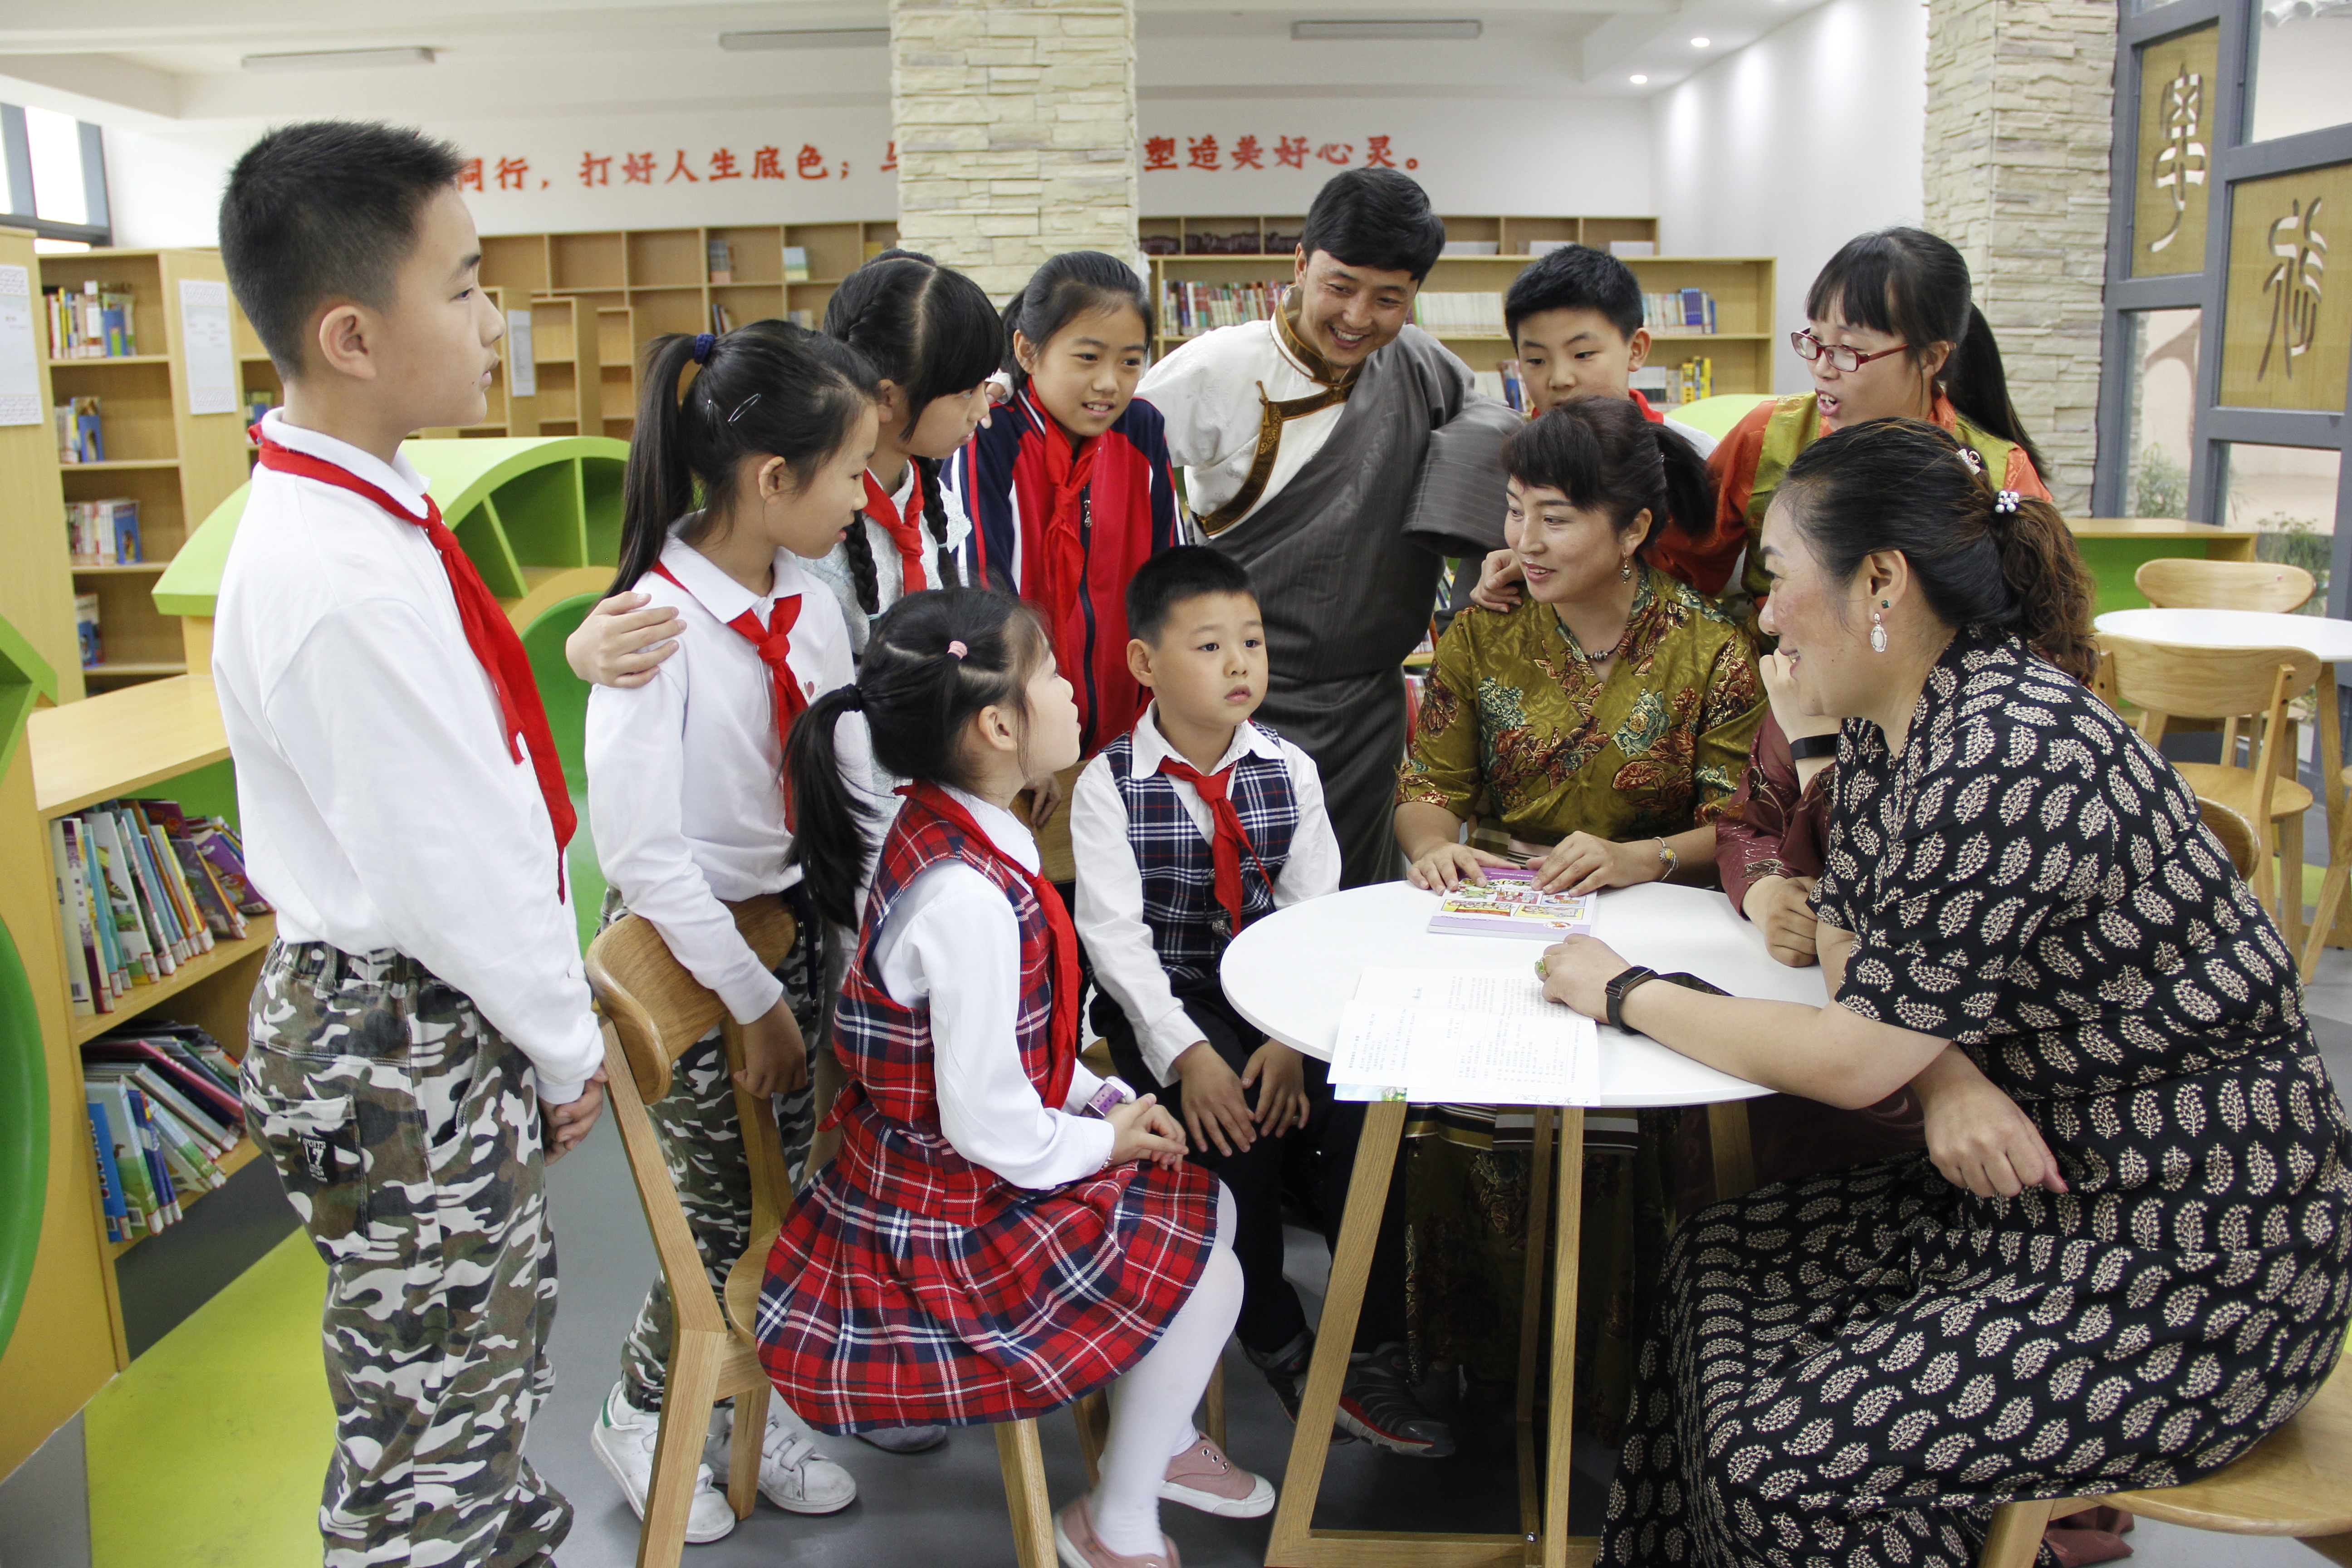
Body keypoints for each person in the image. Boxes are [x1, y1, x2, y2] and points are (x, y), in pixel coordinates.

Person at [1539, 418, 2352, 1568]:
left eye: (1776, 577)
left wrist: (1623, 988)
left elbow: (1856, 1045)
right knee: (1716, 1253)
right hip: (2041, 1185)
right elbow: (1847, 938)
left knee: (1787, 1465)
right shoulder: (1899, 722)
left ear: (1880, 578)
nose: (1762, 614)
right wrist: (1950, 1071)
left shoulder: (2005, 750)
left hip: (2193, 1254)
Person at [213, 121, 606, 1567]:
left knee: (467, 1372)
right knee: (429, 1422)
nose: (495, 321)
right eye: (467, 286)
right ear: (352, 334)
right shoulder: (338, 579)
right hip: (403, 1033)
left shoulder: (368, 516)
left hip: (418, 1022)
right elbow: (451, 868)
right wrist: (565, 1049)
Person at [759, 588, 1274, 1568]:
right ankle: (1114, 1520)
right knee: (1208, 1264)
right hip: (938, 1215)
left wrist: (1098, 1100)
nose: (1074, 692)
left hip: (945, 1164)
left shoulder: (955, 828)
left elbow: (1006, 1047)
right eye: (1050, 674)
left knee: (1206, 1213)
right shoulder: (967, 896)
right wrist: (1103, 1135)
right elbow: (989, 1118)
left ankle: (1156, 1440)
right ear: (998, 724)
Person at [1390, 395, 1763, 1429]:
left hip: (1655, 932)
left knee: (1631, 1143)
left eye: (1554, 517)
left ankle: (1631, 1382)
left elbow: (1738, 823)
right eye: (1514, 512)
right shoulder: (1484, 629)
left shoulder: (1709, 649)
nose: (1523, 541)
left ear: (1634, 527)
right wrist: (1436, 847)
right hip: (1504, 924)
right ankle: (1484, 1370)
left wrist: (1639, 853)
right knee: (1460, 1117)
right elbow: (1426, 785)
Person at [582, 320, 889, 1539]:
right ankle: (646, 1412)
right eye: (853, 471)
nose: (865, 498)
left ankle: (771, 1406)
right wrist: (756, 1004)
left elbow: (839, 777)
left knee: (800, 1197)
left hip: (790, 932)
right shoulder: (650, 629)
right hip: (695, 956)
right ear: (775, 480)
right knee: (719, 1220)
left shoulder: (809, 602)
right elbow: (646, 858)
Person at [1072, 547, 1450, 1456]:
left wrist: (1289, 1040)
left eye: (1252, 641)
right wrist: (1191, 1057)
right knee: (1226, 1127)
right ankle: (1279, 1337)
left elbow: (1312, 923)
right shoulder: (1106, 786)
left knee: (1372, 1107)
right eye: (1210, 647)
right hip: (1169, 1002)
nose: (1241, 663)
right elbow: (1117, 947)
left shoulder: (1289, 769)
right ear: (1144, 665)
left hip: (1280, 994)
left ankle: (1375, 1345)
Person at [1139, 167, 1520, 888]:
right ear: (1300, 264)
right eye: (1339, 286)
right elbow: (1112, 471)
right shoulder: (1220, 367)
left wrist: (1493, 549)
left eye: (1388, 299)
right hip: (1232, 703)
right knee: (1224, 907)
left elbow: (1491, 432)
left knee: (1352, 908)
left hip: (1367, 712)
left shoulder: (1420, 366)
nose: (1357, 317)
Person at [947, 250, 1183, 761]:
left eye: (1130, 361)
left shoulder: (1141, 430)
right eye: (1088, 357)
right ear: (1028, 353)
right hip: (1022, 743)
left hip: (1135, 737)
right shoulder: (989, 436)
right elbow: (980, 598)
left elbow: (1172, 583)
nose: (1109, 383)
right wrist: (1023, 746)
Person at [807, 249, 1004, 654]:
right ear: (886, 396)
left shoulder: (935, 501)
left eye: (986, 386)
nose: (982, 411)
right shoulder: (809, 523)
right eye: (966, 392)